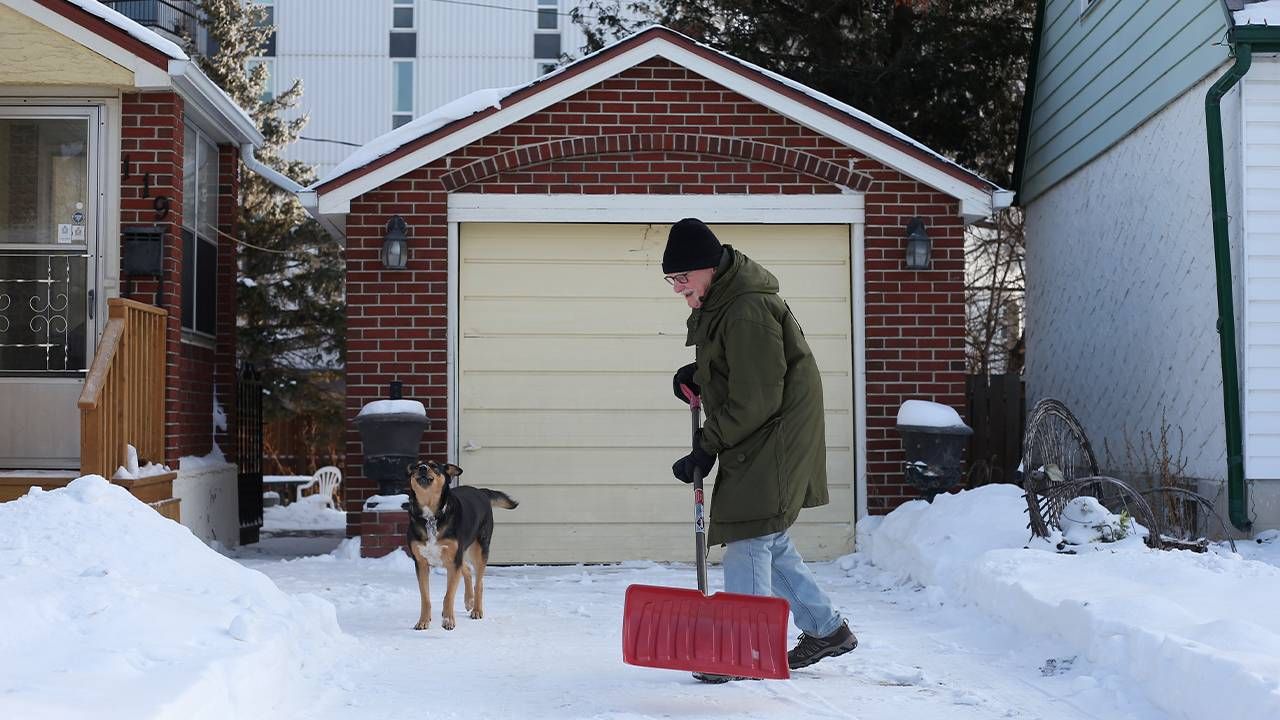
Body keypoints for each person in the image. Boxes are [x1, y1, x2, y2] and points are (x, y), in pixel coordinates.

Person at [662, 218, 857, 683]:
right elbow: (744, 366)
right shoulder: (727, 301)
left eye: (682, 280)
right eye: (672, 282)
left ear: (707, 268)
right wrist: (700, 372)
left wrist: (707, 445)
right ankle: (826, 629)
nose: (678, 290)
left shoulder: (746, 308)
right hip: (765, 432)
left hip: (774, 433)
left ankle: (741, 651)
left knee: (750, 535)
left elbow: (757, 396)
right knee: (768, 535)